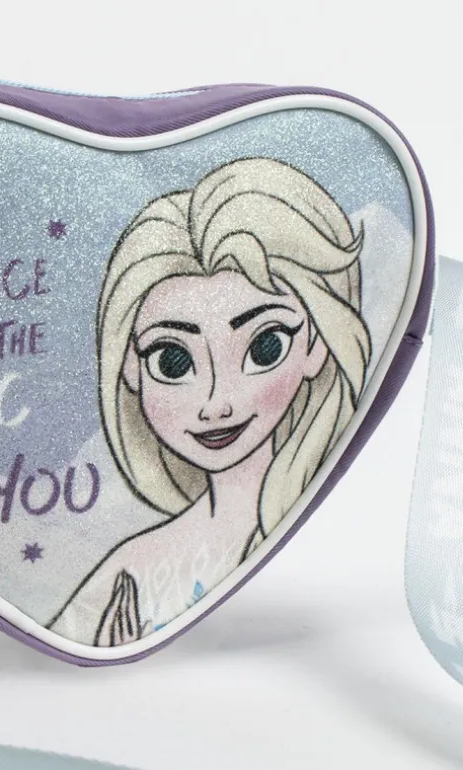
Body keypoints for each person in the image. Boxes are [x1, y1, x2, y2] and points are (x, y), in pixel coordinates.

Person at [48, 157, 372, 647]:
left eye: (265, 346)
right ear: (130, 366)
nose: (217, 403)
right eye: (172, 361)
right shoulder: (129, 574)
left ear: (315, 344)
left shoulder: (352, 540)